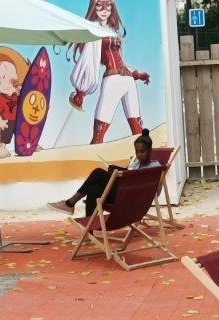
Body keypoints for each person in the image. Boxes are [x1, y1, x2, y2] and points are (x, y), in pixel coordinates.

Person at [69, 0, 150, 145]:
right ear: (94, 7)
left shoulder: (114, 31)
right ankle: (91, 163)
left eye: (108, 5)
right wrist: (81, 90)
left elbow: (121, 60)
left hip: (128, 81)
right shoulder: (93, 31)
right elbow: (88, 62)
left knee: (137, 128)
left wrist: (137, 74)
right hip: (112, 81)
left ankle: (141, 164)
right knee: (99, 135)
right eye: (100, 5)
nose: (104, 9)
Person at [47, 129, 158, 215]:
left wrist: (123, 173)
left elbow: (148, 189)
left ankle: (70, 203)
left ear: (150, 150)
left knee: (98, 172)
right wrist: (118, 169)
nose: (139, 155)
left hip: (133, 200)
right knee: (94, 189)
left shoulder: (155, 167)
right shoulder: (135, 164)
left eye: (142, 151)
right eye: (137, 151)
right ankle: (89, 230)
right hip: (121, 194)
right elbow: (128, 175)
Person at [0, 46, 31, 159]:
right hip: (6, 121)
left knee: (24, 134)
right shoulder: (0, 99)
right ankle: (2, 149)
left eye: (4, 77)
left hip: (20, 119)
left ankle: (30, 146)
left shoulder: (18, 94)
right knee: (3, 137)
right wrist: (0, 121)